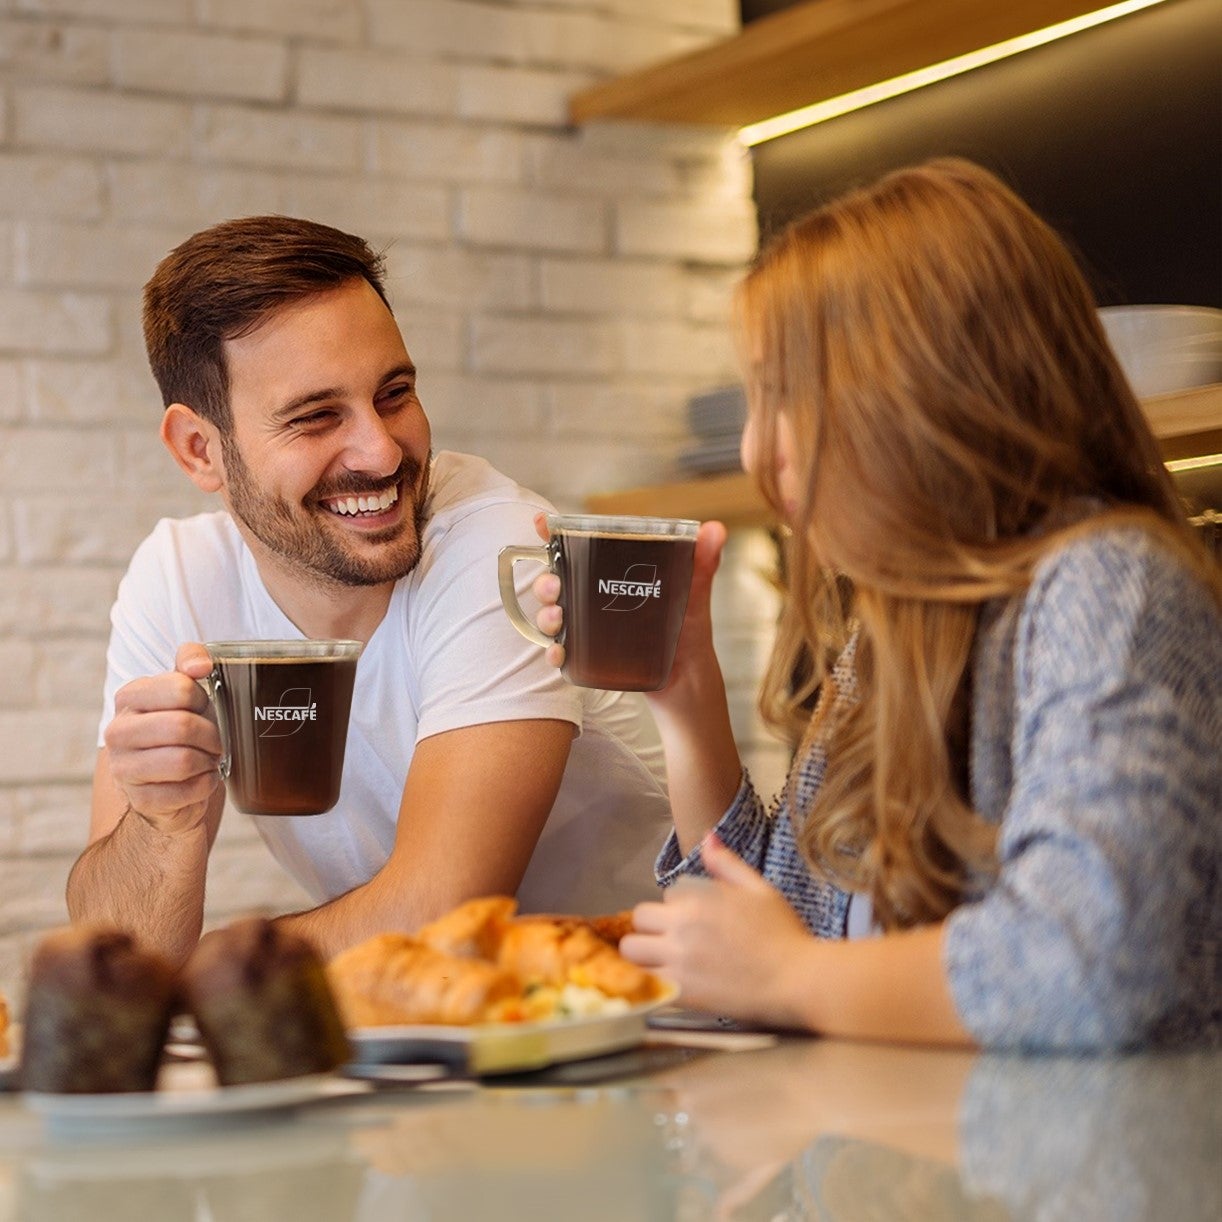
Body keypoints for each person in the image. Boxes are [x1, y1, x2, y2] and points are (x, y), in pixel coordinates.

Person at [532, 158, 1222, 1051]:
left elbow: (1086, 966)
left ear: (926, 396)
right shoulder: (889, 626)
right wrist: (689, 703)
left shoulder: (1108, 587)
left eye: (789, 396)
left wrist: (791, 976)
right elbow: (787, 931)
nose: (754, 451)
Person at [66, 215, 672, 966]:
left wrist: (215, 967)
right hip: (423, 1042)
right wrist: (164, 826)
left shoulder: (499, 548)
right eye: (316, 416)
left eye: (394, 393)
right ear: (200, 449)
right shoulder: (180, 579)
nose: (382, 451)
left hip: (656, 1020)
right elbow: (115, 960)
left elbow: (442, 912)